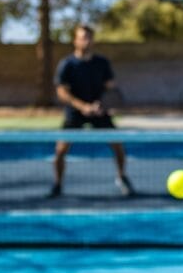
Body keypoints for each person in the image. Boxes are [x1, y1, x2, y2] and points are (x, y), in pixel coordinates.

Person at [49, 24, 134, 198]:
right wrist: (82, 107)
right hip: (75, 113)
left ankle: (122, 177)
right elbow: (62, 93)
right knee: (60, 150)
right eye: (82, 37)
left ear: (92, 40)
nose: (86, 41)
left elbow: (111, 88)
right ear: (75, 41)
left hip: (99, 112)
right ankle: (57, 184)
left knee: (118, 145)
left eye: (88, 37)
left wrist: (100, 105)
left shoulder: (101, 63)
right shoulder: (67, 64)